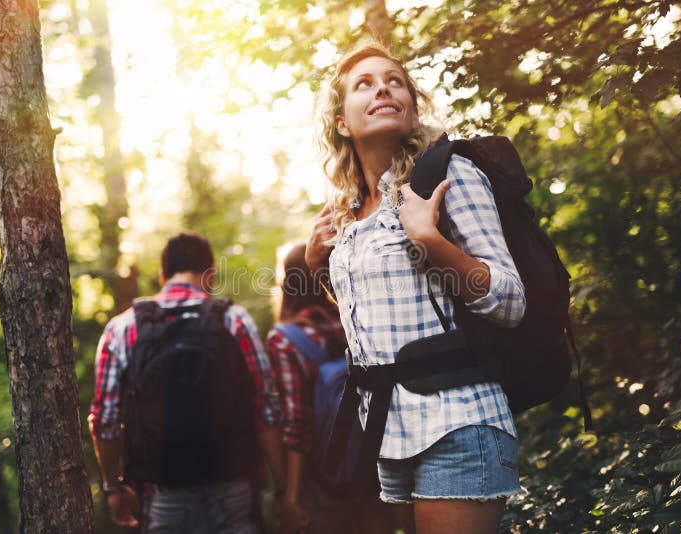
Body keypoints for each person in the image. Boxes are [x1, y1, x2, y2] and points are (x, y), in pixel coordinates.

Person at [306, 42, 527, 534]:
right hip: (386, 432)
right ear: (342, 122)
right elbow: (378, 314)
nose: (382, 87)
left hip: (458, 420)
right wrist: (315, 264)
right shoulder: (344, 212)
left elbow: (511, 300)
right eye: (363, 84)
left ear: (410, 106)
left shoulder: (450, 178)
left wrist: (430, 239)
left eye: (394, 81)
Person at [88, 231, 280, 533]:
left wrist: (113, 488)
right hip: (232, 487)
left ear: (163, 275)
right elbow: (267, 410)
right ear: (211, 276)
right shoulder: (234, 320)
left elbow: (104, 421)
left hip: (161, 494)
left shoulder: (122, 328)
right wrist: (283, 492)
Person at [262, 242, 395, 534]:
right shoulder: (351, 321)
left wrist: (291, 498)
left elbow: (297, 425)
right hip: (374, 467)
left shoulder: (286, 339)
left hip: (321, 480)